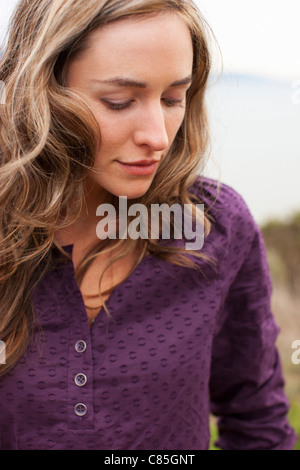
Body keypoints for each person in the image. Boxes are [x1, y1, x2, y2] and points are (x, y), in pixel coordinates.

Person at [0, 0, 297, 451]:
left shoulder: (215, 227)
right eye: (119, 101)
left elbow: (258, 421)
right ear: (41, 91)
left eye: (173, 98)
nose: (158, 136)